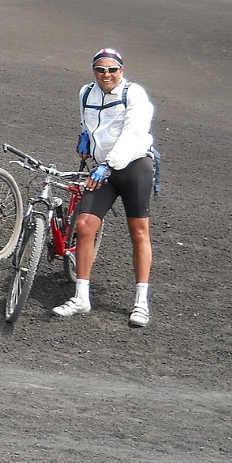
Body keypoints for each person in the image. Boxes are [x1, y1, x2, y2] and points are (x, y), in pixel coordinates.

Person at [53, 48, 156, 326]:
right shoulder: (86, 93)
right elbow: (87, 122)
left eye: (112, 69)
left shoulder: (133, 93)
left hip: (133, 166)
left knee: (138, 231)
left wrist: (108, 164)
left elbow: (134, 132)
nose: (106, 74)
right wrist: (85, 139)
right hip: (102, 170)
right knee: (85, 225)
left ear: (121, 70)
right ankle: (82, 297)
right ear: (93, 71)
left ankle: (140, 302)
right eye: (100, 69)